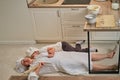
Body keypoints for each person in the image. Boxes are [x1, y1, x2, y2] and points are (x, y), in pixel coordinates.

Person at [15, 49, 117, 79]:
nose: (26, 61)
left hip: (64, 55)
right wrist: (39, 68)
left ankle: (107, 55)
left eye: (24, 59)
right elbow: (32, 78)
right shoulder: (32, 68)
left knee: (85, 56)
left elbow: (51, 52)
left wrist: (51, 52)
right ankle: (110, 67)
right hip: (62, 63)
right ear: (25, 65)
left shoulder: (37, 55)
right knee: (83, 63)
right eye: (24, 63)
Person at [26, 41, 98, 59]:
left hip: (63, 46)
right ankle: (78, 44)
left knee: (76, 52)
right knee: (75, 51)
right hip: (62, 46)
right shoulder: (40, 53)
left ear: (35, 52)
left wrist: (51, 54)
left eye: (33, 56)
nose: (34, 57)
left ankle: (88, 49)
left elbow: (52, 49)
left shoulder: (41, 50)